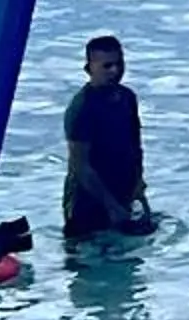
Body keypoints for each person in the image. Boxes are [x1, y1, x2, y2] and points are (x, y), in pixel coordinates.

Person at [62, 33, 152, 240]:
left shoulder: (127, 98)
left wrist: (138, 187)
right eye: (107, 66)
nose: (115, 71)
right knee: (86, 262)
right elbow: (80, 166)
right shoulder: (82, 107)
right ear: (89, 68)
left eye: (119, 64)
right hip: (87, 201)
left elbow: (135, 145)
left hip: (123, 191)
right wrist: (111, 206)